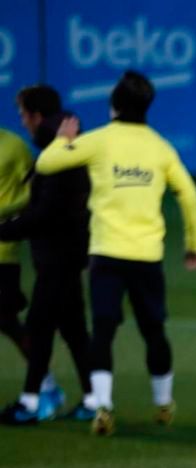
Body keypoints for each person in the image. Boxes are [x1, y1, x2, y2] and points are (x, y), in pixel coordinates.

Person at [35, 70, 196, 436]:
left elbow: (46, 165)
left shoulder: (99, 141)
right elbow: (189, 195)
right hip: (146, 255)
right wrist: (193, 244)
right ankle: (162, 403)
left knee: (104, 330)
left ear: (114, 107)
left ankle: (103, 406)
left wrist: (62, 141)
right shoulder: (160, 147)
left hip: (107, 253)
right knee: (154, 330)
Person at [0, 85, 95, 425]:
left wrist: (4, 229)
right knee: (72, 330)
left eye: (24, 114)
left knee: (40, 328)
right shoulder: (63, 148)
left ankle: (31, 403)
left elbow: (43, 214)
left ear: (37, 116)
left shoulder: (55, 156)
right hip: (66, 252)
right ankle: (94, 398)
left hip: (58, 256)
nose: (23, 122)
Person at [0, 125, 31, 363]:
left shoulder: (14, 145)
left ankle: (45, 383)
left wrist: (3, 211)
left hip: (3, 250)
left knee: (6, 320)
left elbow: (32, 191)